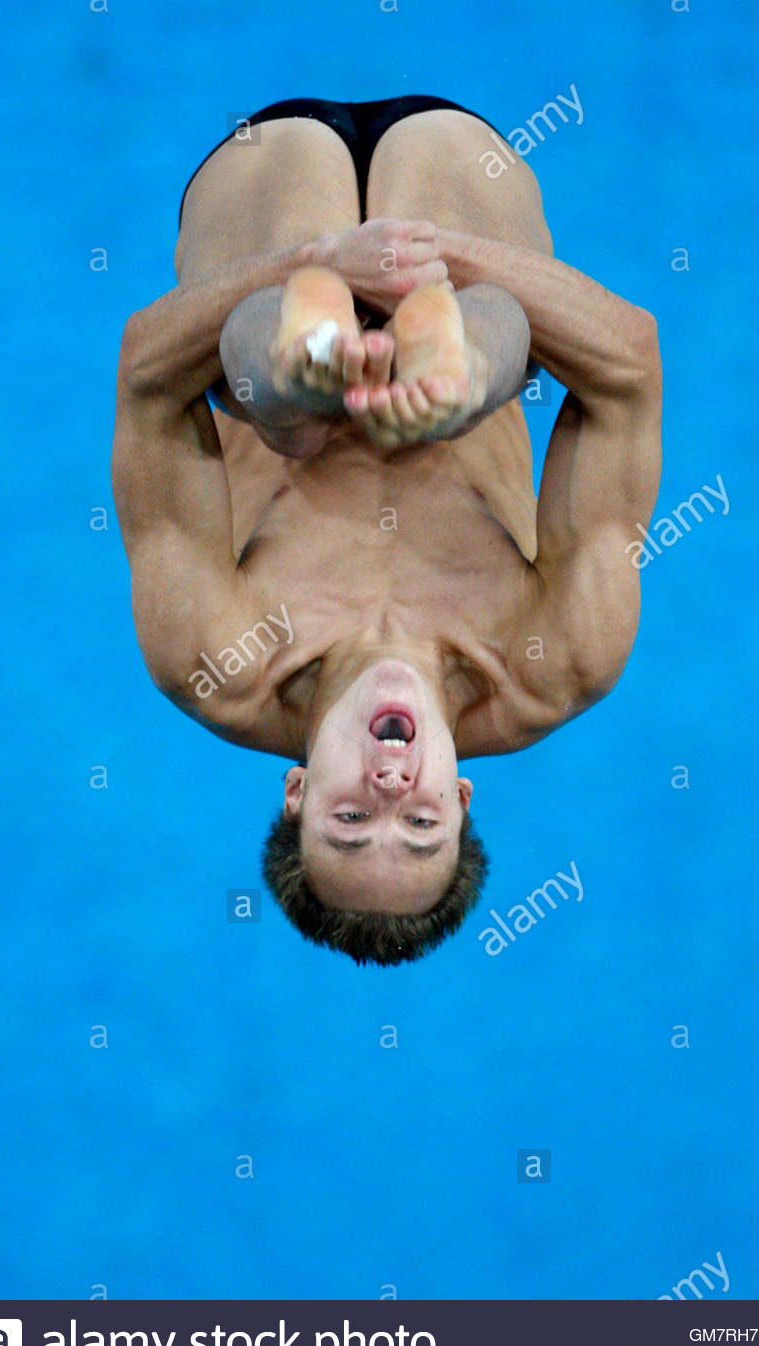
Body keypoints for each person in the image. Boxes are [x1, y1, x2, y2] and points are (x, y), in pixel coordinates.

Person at [111, 96, 662, 965]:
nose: (390, 784)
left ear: (297, 793)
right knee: (479, 361)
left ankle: (314, 350)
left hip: (271, 183)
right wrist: (438, 256)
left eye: (352, 818)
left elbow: (147, 373)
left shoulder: (213, 659)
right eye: (420, 823)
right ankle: (445, 369)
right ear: (462, 798)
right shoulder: (558, 658)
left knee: (287, 410)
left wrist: (316, 259)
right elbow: (628, 364)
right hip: (454, 177)